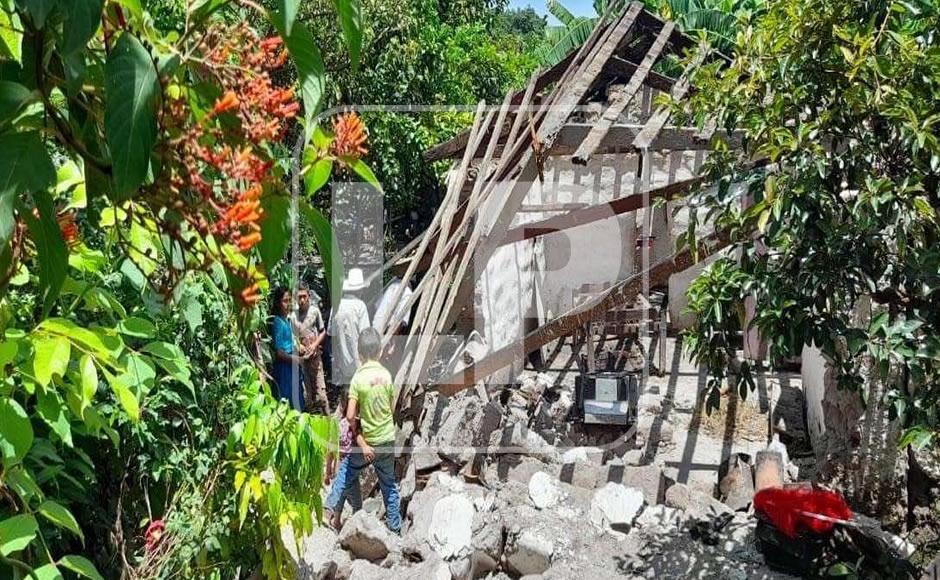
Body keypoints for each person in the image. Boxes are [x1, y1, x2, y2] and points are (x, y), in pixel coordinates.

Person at [331, 328, 401, 533]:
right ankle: (395, 530)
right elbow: (389, 408)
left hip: (368, 443)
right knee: (389, 485)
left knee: (346, 470)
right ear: (380, 352)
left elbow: (350, 415)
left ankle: (329, 507)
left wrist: (360, 438)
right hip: (387, 440)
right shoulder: (387, 376)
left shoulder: (358, 379)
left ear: (359, 355)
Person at [323, 388, 361, 529]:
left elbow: (330, 453)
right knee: (357, 503)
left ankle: (337, 520)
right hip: (349, 468)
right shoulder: (356, 425)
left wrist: (327, 473)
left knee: (341, 494)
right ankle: (356, 527)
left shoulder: (337, 426)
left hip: (338, 468)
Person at [328, 268, 370, 387]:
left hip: (341, 363)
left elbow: (332, 335)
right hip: (358, 362)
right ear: (360, 290)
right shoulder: (360, 306)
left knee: (346, 394)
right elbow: (365, 335)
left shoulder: (336, 306)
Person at [291, 283, 328, 414]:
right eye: (299, 297)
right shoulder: (293, 316)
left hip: (315, 358)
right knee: (308, 396)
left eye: (304, 297)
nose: (301, 300)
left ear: (309, 296)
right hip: (302, 360)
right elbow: (292, 335)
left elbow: (323, 331)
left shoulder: (314, 312)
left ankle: (329, 421)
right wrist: (298, 345)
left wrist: (314, 344)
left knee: (322, 395)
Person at [270, 286, 306, 411]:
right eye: (285, 301)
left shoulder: (286, 320)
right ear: (278, 303)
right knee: (287, 401)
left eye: (289, 300)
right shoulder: (277, 322)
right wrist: (297, 359)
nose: (288, 304)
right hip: (284, 368)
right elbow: (279, 353)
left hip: (291, 365)